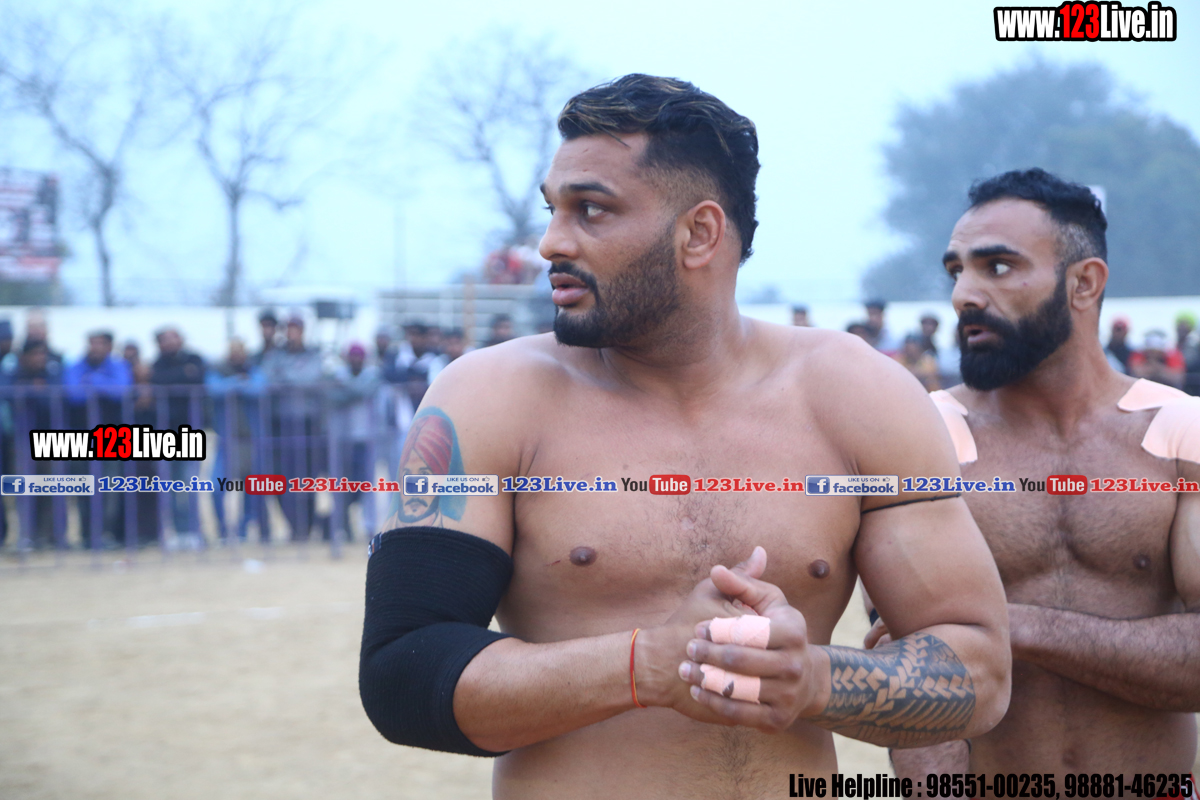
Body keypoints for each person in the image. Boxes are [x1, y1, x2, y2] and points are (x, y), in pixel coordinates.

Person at [360, 74, 1011, 792]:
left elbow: (981, 672)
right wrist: (648, 665)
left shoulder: (860, 395)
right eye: (553, 210)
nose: (549, 243)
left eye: (590, 210)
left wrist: (813, 679)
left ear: (699, 233)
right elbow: (400, 674)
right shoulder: (488, 397)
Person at [877, 168, 1200, 775]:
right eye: (956, 270)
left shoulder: (1180, 432)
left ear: (1084, 283)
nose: (964, 295)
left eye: (998, 267)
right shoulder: (925, 437)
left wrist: (1009, 627)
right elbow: (913, 680)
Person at [261, 314, 327, 540]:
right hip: (282, 421)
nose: (292, 333)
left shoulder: (313, 354)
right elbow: (268, 379)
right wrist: (295, 379)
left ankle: (306, 526)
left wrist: (286, 378)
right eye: (289, 328)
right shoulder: (275, 355)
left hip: (308, 421)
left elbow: (313, 378)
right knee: (280, 476)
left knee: (307, 476)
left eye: (296, 328)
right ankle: (292, 524)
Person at [64, 331, 132, 547]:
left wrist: (93, 381)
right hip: (80, 436)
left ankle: (106, 533)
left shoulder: (118, 366)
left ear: (110, 347)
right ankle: (87, 535)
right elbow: (73, 394)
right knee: (83, 487)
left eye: (100, 343)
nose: (95, 347)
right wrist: (104, 385)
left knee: (110, 486)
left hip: (112, 436)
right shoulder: (76, 366)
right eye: (92, 343)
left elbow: (121, 390)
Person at [206, 338, 266, 542]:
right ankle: (223, 530)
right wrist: (239, 381)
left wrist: (232, 386)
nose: (237, 355)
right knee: (216, 488)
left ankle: (242, 530)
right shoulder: (218, 370)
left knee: (251, 490)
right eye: (234, 351)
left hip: (250, 440)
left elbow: (259, 389)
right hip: (226, 440)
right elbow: (214, 389)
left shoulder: (254, 369)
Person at [150, 327, 206, 545]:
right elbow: (158, 380)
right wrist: (183, 374)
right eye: (164, 340)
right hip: (164, 433)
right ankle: (176, 532)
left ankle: (193, 531)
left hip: (190, 432)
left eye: (172, 338)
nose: (169, 343)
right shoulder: (157, 364)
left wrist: (172, 379)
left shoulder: (195, 359)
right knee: (169, 486)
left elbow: (198, 378)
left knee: (190, 484)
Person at [330, 342, 379, 540]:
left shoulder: (370, 375)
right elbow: (334, 396)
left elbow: (365, 391)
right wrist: (349, 390)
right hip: (343, 439)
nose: (356, 360)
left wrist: (346, 387)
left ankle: (368, 526)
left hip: (364, 438)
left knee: (364, 485)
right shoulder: (337, 375)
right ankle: (343, 525)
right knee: (343, 485)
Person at [1175, 312, 1200, 396]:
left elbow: (1189, 362)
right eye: (1181, 325)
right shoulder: (1174, 345)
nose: (1183, 328)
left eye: (1186, 325)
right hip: (1183, 384)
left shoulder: (1194, 344)